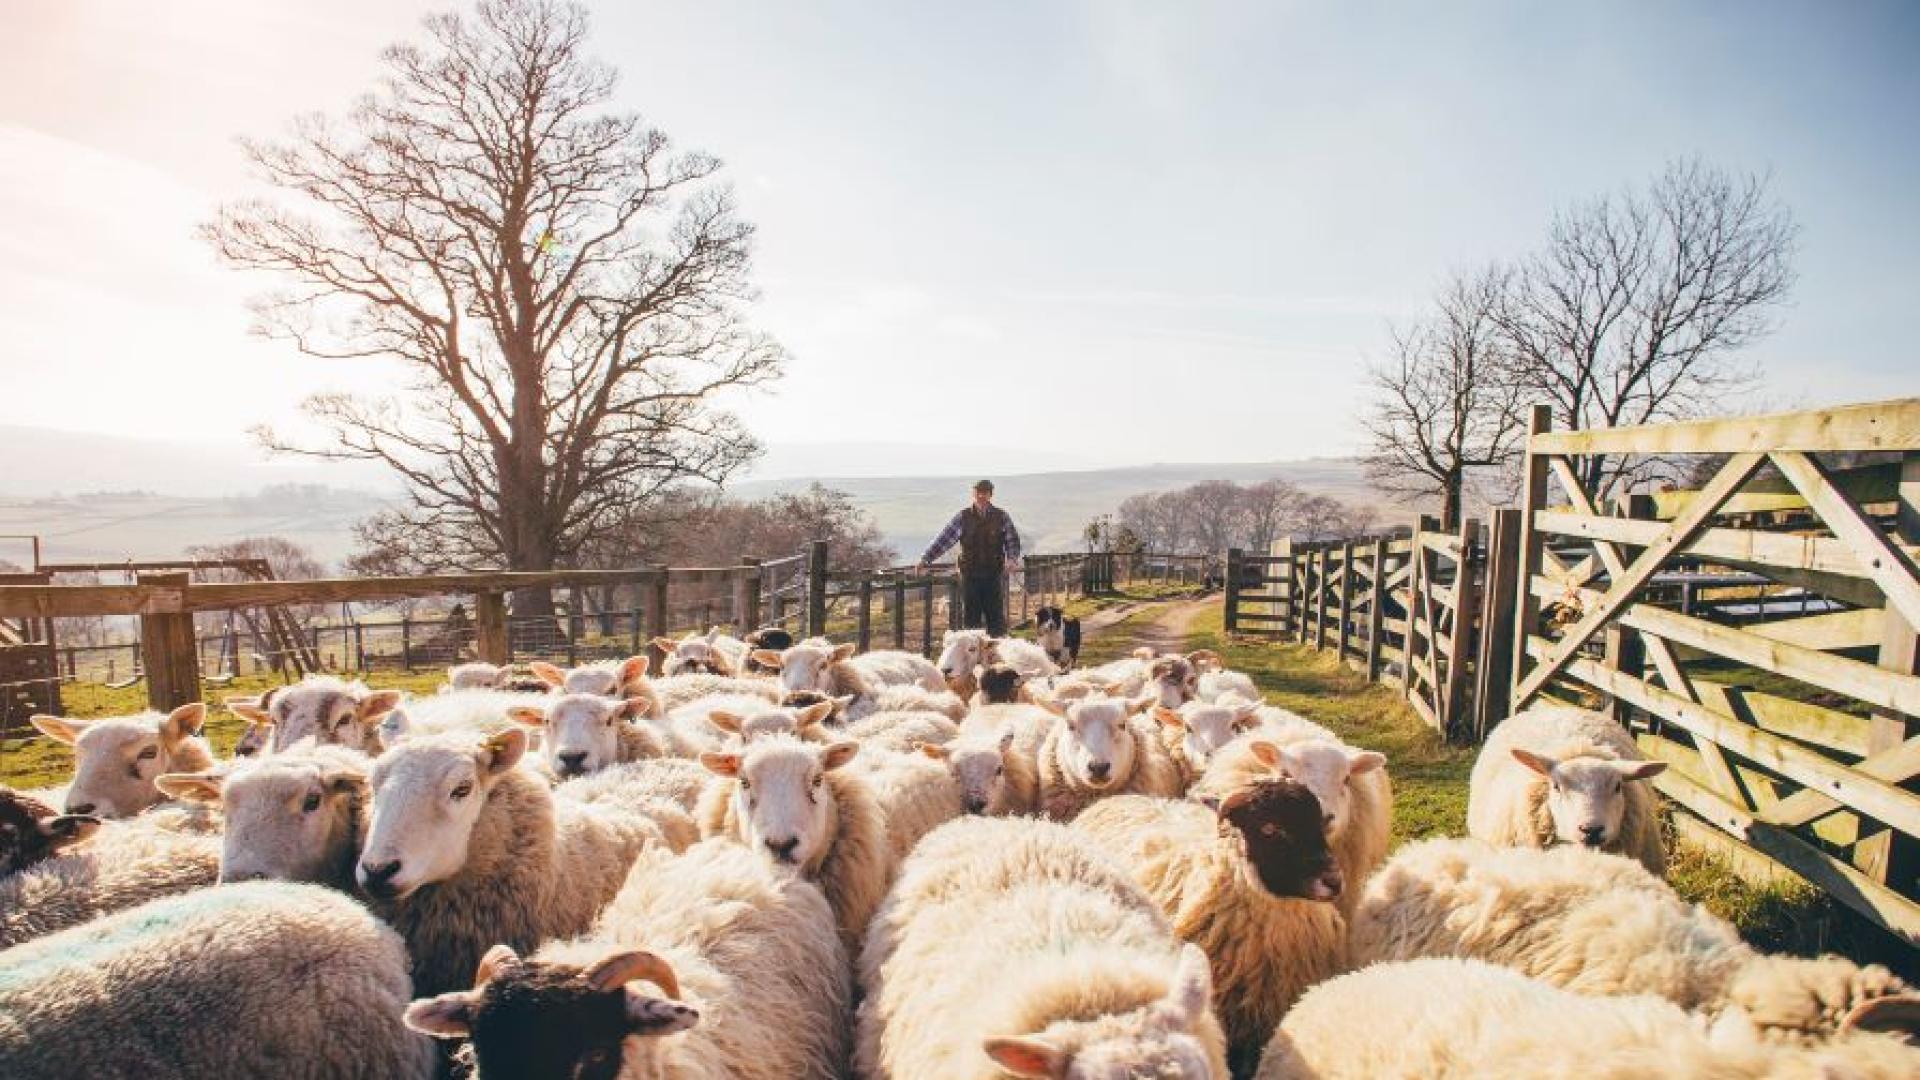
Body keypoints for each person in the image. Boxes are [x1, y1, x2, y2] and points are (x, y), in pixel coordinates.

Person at [916, 479, 1022, 637]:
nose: (981, 496)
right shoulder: (963, 517)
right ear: (973, 494)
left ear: (990, 495)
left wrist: (1012, 559)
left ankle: (997, 654)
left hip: (993, 575)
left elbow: (1012, 540)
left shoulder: (1001, 517)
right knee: (971, 619)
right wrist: (925, 559)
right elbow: (944, 539)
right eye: (978, 492)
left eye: (985, 492)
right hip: (969, 576)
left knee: (996, 619)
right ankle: (973, 658)